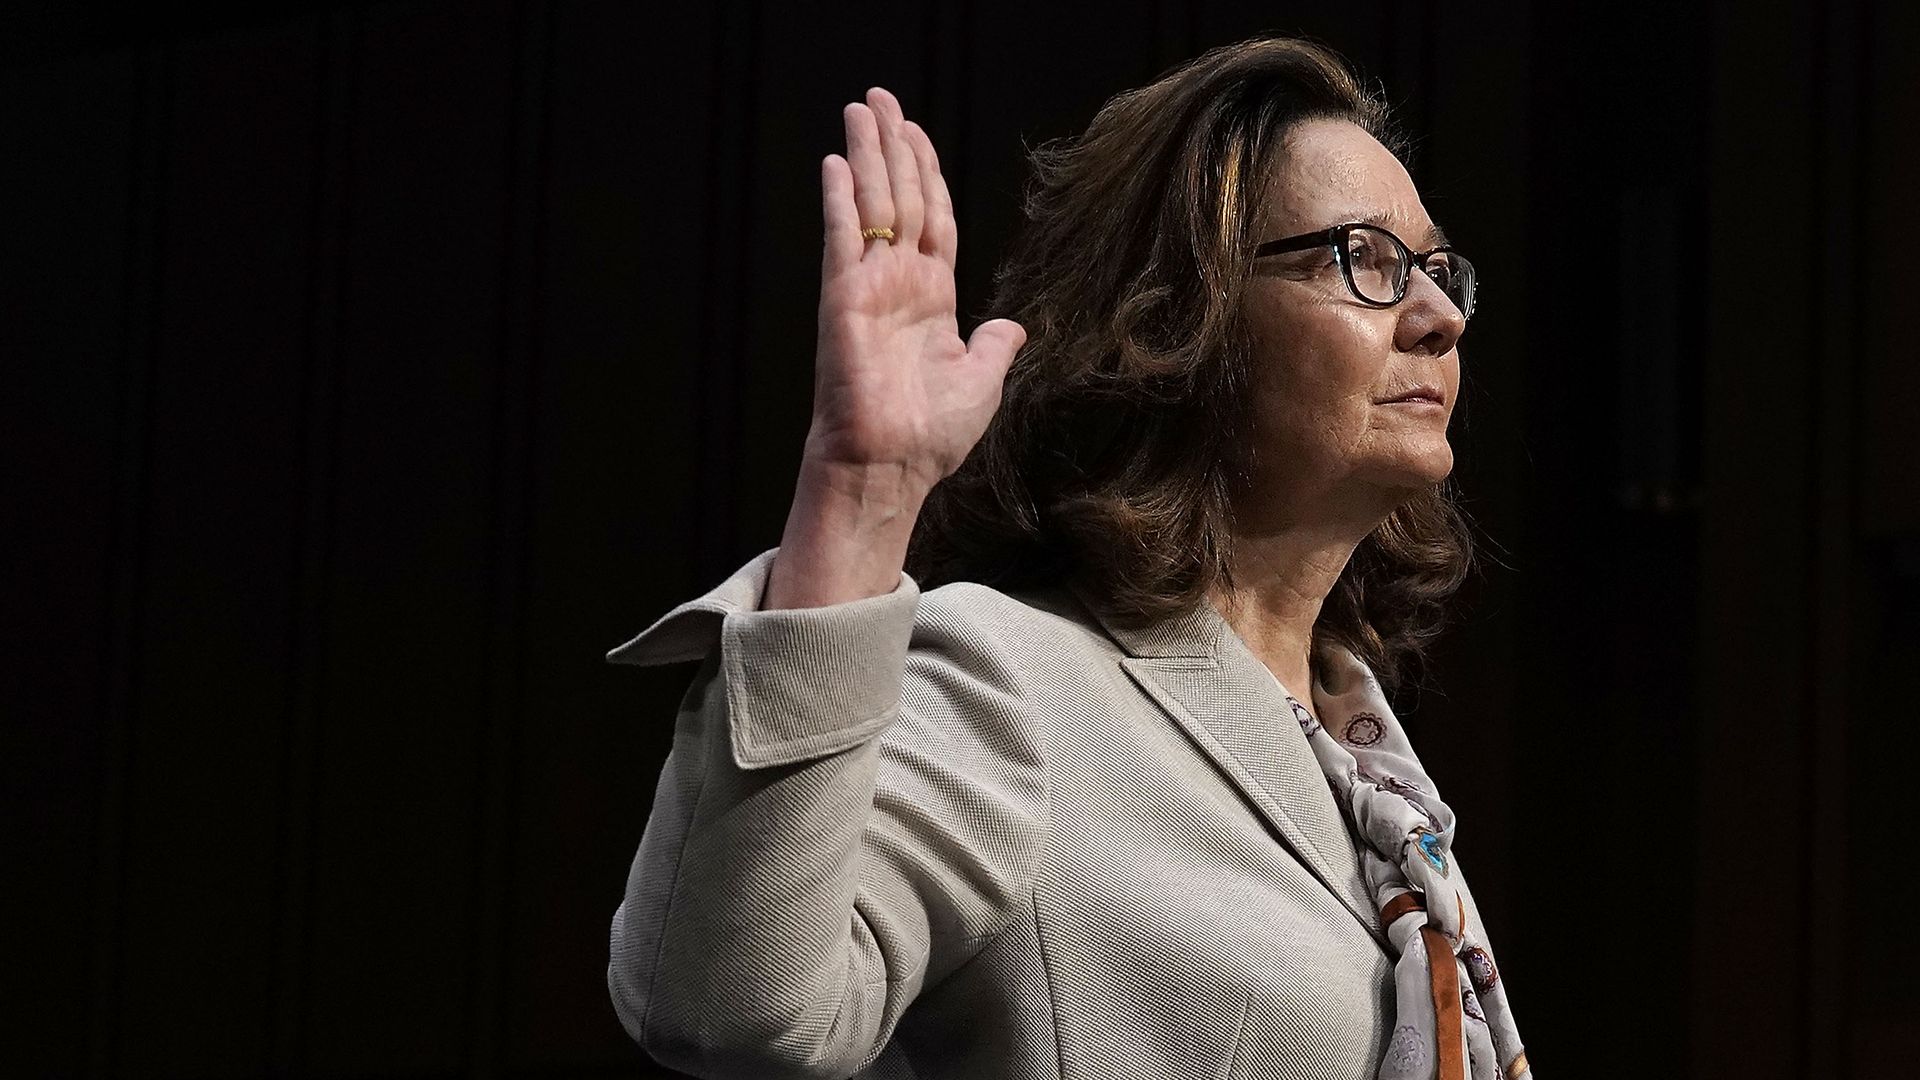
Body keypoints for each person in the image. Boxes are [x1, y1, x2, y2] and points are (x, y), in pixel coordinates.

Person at [605, 35, 1531, 1080]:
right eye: (1366, 258)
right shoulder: (1013, 685)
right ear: (1187, 316)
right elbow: (732, 1007)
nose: (1438, 318)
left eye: (1439, 270)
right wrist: (861, 493)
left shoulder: (1376, 786)